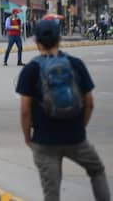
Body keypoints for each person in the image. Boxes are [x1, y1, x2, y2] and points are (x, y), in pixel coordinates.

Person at [16, 19, 109, 201]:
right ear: (60, 39)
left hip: (44, 141)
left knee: (52, 192)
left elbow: (25, 110)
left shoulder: (31, 69)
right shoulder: (76, 64)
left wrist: (28, 137)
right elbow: (89, 103)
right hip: (75, 138)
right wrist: (80, 127)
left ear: (36, 41)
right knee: (96, 170)